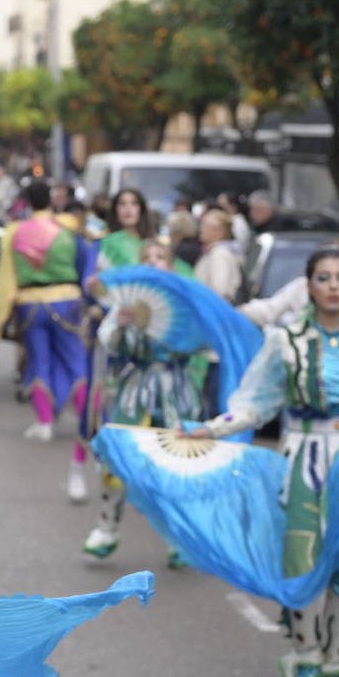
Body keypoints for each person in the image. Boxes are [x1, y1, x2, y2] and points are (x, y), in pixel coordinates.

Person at [183, 248, 339, 677]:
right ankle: (306, 653)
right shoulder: (285, 341)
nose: (332, 286)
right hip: (304, 458)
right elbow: (256, 402)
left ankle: (338, 659)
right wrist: (211, 429)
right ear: (308, 286)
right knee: (303, 557)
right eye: (323, 278)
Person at [83, 240, 203, 563]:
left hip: (178, 392)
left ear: (171, 264)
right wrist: (122, 327)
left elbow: (202, 341)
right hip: (137, 391)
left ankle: (179, 538)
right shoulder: (130, 302)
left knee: (179, 463)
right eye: (147, 257)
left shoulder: (186, 300)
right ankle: (107, 527)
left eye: (160, 257)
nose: (153, 262)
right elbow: (109, 342)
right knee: (118, 456)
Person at [0, 180, 92, 497]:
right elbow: (87, 266)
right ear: (53, 199)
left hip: (30, 305)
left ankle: (46, 424)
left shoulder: (14, 232)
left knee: (39, 363)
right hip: (68, 300)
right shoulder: (71, 229)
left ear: (25, 201)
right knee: (77, 364)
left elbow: (5, 276)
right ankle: (87, 423)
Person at [96, 188, 154, 273]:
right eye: (122, 204)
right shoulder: (108, 242)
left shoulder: (151, 243)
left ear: (141, 209)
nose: (128, 208)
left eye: (134, 203)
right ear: (115, 210)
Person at [193, 208, 241, 303]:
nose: (201, 229)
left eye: (206, 226)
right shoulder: (215, 252)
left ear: (220, 232)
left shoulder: (220, 254)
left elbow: (220, 292)